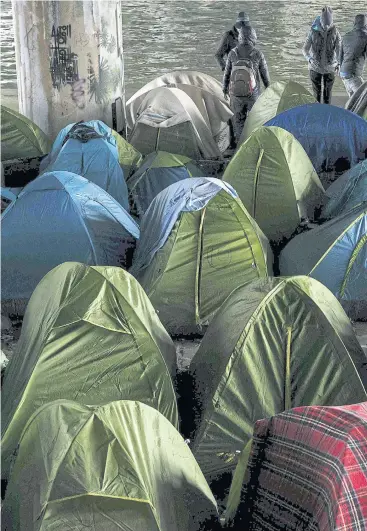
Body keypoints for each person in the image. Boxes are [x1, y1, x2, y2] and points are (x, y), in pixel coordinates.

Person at [222, 26, 270, 145]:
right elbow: (265, 75)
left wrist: (224, 89)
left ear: (240, 37)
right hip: (253, 94)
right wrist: (269, 88)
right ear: (252, 36)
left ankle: (241, 146)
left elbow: (227, 73)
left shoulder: (233, 53)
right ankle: (255, 144)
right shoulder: (257, 53)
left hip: (236, 94)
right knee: (256, 119)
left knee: (239, 121)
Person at [302, 6, 341, 104]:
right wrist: (310, 59)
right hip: (315, 69)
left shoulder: (335, 32)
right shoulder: (312, 31)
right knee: (317, 96)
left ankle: (326, 116)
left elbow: (340, 49)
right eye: (324, 24)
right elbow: (304, 49)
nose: (326, 27)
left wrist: (339, 63)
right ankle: (317, 115)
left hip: (330, 69)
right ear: (320, 21)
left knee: (327, 96)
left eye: (329, 24)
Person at [340, 14, 367, 98]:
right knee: (363, 99)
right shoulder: (365, 37)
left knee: (353, 102)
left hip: (343, 74)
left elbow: (340, 57)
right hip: (353, 75)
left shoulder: (346, 36)